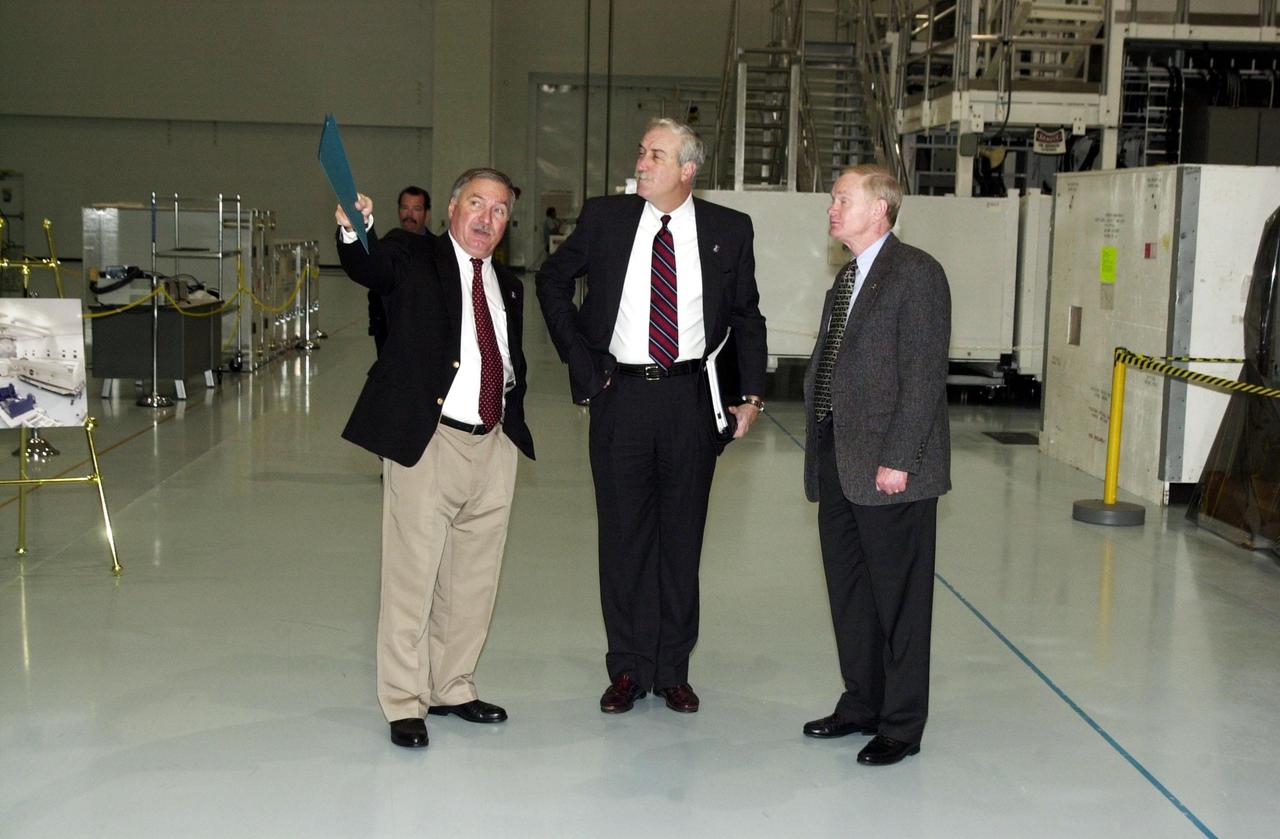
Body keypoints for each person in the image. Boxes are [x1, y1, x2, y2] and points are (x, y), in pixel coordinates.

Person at [537, 117, 767, 715]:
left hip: (691, 399)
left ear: (687, 171)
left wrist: (750, 397)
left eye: (655, 155)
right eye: (641, 152)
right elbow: (553, 282)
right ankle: (627, 669)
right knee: (623, 539)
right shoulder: (605, 219)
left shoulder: (728, 230)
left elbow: (746, 316)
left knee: (681, 541)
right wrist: (582, 361)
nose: (641, 163)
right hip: (621, 397)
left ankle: (672, 670)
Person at [334, 168, 534, 749]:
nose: (487, 218)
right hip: (431, 441)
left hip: (494, 444)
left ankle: (454, 685)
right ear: (451, 208)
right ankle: (403, 699)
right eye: (477, 203)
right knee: (411, 578)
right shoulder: (413, 256)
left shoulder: (508, 285)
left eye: (499, 211)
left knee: (474, 579)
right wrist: (355, 230)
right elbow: (368, 266)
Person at [801, 164, 951, 766]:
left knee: (900, 600)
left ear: (880, 209)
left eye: (844, 199)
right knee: (851, 593)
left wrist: (898, 458)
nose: (833, 208)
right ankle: (862, 701)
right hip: (840, 459)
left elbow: (922, 376)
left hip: (892, 468)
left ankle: (901, 723)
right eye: (834, 198)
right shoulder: (847, 279)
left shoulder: (916, 274)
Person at [367, 185, 431, 356]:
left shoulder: (437, 251)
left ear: (427, 213)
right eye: (404, 208)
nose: (409, 215)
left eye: (416, 209)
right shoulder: (386, 246)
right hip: (389, 333)